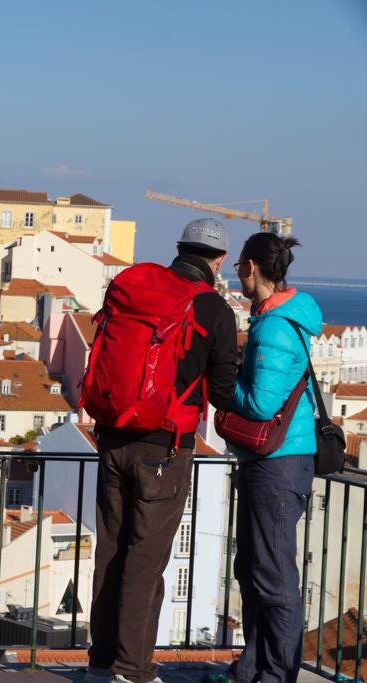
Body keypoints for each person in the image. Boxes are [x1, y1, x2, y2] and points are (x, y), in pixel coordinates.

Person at [86, 219, 239, 683]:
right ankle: (131, 669)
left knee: (110, 551)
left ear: (178, 250)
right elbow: (223, 392)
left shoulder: (134, 287)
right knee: (146, 558)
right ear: (218, 262)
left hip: (112, 436)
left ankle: (100, 662)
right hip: (166, 447)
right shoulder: (212, 308)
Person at [225, 233, 320, 683]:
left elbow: (262, 404)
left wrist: (224, 390)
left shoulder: (277, 326)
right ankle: (254, 666)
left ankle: (276, 674)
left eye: (239, 268)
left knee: (272, 575)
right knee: (254, 568)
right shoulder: (275, 319)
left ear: (250, 267)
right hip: (275, 460)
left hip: (278, 462)